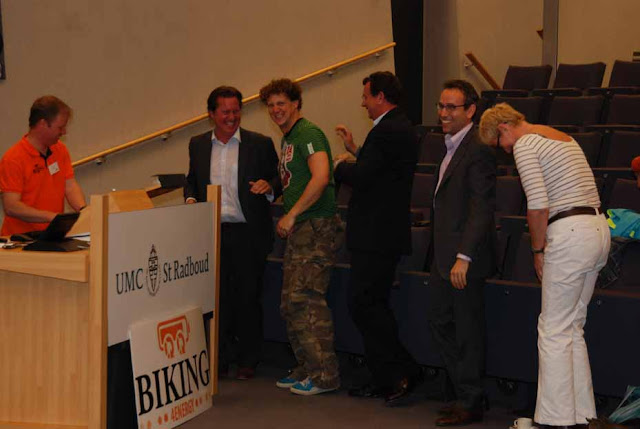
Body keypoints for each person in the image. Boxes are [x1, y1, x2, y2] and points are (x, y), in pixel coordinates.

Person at [479, 103, 610, 429]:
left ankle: (554, 420)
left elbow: (537, 206)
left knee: (552, 329)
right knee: (572, 326)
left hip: (569, 233)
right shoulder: (560, 137)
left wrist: (537, 250)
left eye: (499, 143)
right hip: (597, 230)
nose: (505, 151)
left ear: (504, 128)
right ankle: (581, 416)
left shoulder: (525, 144)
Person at [333, 71, 421, 407]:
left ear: (381, 97)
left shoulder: (387, 130)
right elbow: (383, 171)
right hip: (382, 233)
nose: (363, 103)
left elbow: (366, 176)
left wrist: (338, 166)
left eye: (366, 96)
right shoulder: (399, 127)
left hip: (376, 234)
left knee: (364, 304)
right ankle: (384, 376)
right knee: (371, 304)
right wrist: (356, 150)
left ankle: (401, 370)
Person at [184, 86, 279, 380]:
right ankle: (220, 358)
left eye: (236, 111)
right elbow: (192, 180)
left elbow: (279, 176)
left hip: (249, 233)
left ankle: (248, 360)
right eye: (225, 112)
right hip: (212, 233)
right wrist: (191, 199)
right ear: (211, 114)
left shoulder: (259, 143)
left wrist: (270, 186)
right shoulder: (198, 144)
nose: (231, 117)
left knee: (248, 297)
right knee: (217, 299)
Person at [258, 78, 342, 396]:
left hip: (315, 225)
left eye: (282, 103)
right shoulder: (289, 138)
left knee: (305, 299)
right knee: (290, 302)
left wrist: (292, 214)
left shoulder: (308, 133)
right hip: (301, 228)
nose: (276, 109)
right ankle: (308, 367)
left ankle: (325, 375)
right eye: (271, 105)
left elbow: (321, 177)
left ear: (295, 104)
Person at [427, 80, 496, 426]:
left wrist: (464, 257)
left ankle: (470, 401)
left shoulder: (478, 148)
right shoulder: (451, 146)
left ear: (470, 110)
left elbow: (481, 207)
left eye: (451, 107)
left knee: (467, 331)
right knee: (440, 322)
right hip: (444, 257)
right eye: (441, 106)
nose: (443, 113)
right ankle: (466, 394)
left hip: (463, 260)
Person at [0, 95, 85, 236]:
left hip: (52, 234)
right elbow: (11, 206)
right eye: (60, 127)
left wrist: (83, 211)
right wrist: (51, 217)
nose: (64, 132)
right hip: (20, 239)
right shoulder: (13, 159)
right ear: (43, 124)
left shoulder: (60, 150)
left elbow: (69, 185)